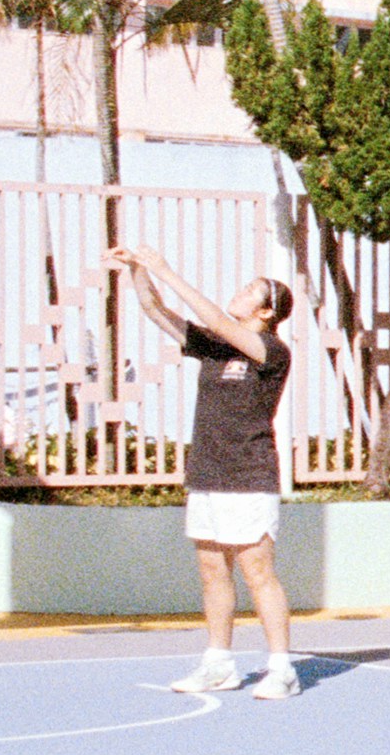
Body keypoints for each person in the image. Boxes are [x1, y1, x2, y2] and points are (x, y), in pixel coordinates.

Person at [112, 245, 302, 699]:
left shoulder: (271, 350)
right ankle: (219, 663)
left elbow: (217, 319)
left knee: (258, 571)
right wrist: (139, 270)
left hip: (249, 473)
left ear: (266, 310)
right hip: (208, 472)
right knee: (211, 570)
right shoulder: (215, 347)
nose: (236, 295)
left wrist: (168, 269)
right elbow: (154, 308)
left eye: (247, 292)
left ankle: (282, 669)